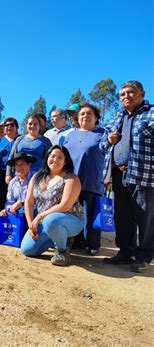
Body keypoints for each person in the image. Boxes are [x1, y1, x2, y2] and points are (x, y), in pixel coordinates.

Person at [100, 80, 153, 273]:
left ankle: (144, 256)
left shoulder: (152, 113)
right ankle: (125, 252)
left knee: (145, 217)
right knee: (122, 215)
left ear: (142, 94)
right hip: (118, 174)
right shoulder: (116, 117)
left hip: (144, 175)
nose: (126, 97)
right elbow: (101, 145)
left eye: (130, 92)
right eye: (122, 94)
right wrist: (108, 139)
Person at [20, 145, 84, 266]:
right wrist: (31, 225)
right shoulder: (37, 176)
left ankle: (62, 251)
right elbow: (28, 201)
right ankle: (58, 237)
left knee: (50, 220)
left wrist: (39, 217)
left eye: (60, 157)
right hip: (47, 222)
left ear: (65, 162)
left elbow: (64, 206)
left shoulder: (71, 179)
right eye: (52, 156)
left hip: (71, 220)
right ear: (47, 158)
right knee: (27, 249)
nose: (55, 160)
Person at [63, 104, 105, 255]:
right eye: (82, 114)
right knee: (72, 213)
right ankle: (76, 241)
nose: (85, 116)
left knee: (91, 215)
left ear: (96, 117)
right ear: (77, 118)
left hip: (92, 181)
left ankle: (92, 245)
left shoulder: (103, 133)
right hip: (71, 183)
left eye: (89, 114)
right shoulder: (70, 135)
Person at [6, 115, 51, 183]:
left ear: (39, 126)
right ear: (26, 125)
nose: (32, 126)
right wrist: (8, 174)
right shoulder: (19, 139)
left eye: (35, 124)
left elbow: (50, 160)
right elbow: (11, 156)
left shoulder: (46, 141)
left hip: (38, 178)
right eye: (30, 124)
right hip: (20, 177)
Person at [0, 152, 35, 218]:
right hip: (18, 215)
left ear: (29, 164)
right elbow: (10, 201)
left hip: (34, 213)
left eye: (23, 164)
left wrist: (22, 203)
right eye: (17, 165)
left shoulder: (36, 178)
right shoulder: (12, 182)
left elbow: (39, 200)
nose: (20, 167)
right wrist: (6, 210)